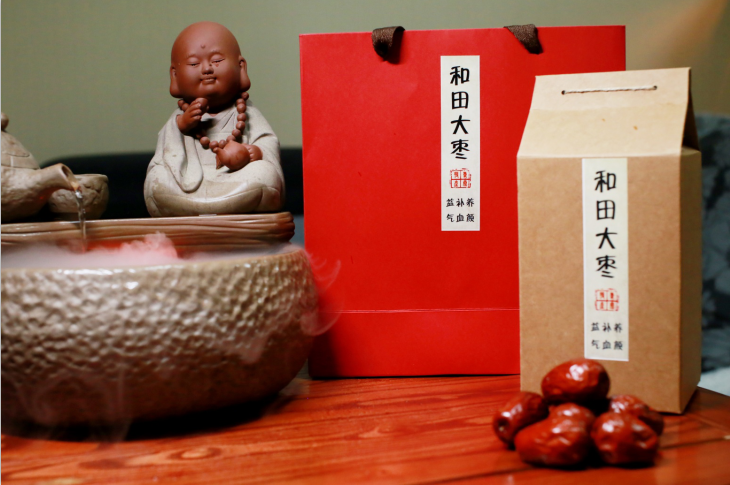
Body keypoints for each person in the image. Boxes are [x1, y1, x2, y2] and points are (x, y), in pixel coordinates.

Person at [144, 21, 284, 217]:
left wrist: (253, 152)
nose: (206, 69)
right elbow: (165, 157)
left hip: (235, 179)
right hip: (189, 184)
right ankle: (216, 207)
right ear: (174, 75)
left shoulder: (245, 113)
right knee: (156, 178)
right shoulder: (179, 119)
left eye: (217, 60)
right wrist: (181, 126)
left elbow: (268, 143)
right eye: (194, 64)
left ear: (240, 67)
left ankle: (200, 209)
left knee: (264, 174)